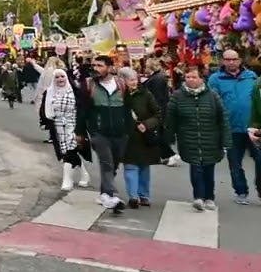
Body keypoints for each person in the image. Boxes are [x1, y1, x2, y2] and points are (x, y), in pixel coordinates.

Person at [165, 64, 229, 212]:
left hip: (210, 139)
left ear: (201, 79)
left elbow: (222, 118)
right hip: (189, 138)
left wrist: (225, 141)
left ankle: (210, 198)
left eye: (194, 77)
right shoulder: (177, 96)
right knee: (196, 168)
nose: (191, 80)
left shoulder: (212, 95)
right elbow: (170, 119)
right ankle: (198, 197)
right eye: (188, 77)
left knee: (208, 169)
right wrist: (168, 138)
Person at [75, 55, 132, 210]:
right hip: (98, 132)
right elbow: (82, 110)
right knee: (106, 162)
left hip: (120, 132)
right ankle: (111, 195)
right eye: (94, 65)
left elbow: (127, 108)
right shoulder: (88, 85)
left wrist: (129, 129)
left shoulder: (121, 84)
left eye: (100, 65)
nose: (96, 69)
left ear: (110, 67)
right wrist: (79, 132)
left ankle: (104, 194)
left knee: (114, 163)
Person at [207, 49, 261, 205]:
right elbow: (213, 104)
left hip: (253, 128)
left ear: (239, 60)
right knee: (235, 163)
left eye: (234, 59)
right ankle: (241, 191)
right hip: (230, 128)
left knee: (260, 160)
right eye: (227, 59)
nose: (231, 62)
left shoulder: (251, 77)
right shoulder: (215, 79)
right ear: (222, 61)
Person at [40, 68, 91, 191]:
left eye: (62, 76)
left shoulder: (75, 91)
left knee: (70, 151)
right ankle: (84, 174)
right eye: (57, 77)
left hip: (73, 125)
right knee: (66, 152)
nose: (60, 79)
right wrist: (44, 122)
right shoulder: (50, 92)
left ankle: (67, 179)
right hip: (57, 126)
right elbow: (44, 109)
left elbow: (83, 109)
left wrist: (83, 126)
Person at [119, 66, 161, 208]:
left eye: (135, 79)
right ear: (122, 80)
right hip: (127, 137)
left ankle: (144, 195)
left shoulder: (146, 95)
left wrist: (147, 124)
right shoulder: (118, 96)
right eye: (131, 80)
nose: (134, 82)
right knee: (130, 167)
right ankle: (133, 196)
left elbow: (158, 114)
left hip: (143, 136)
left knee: (144, 167)